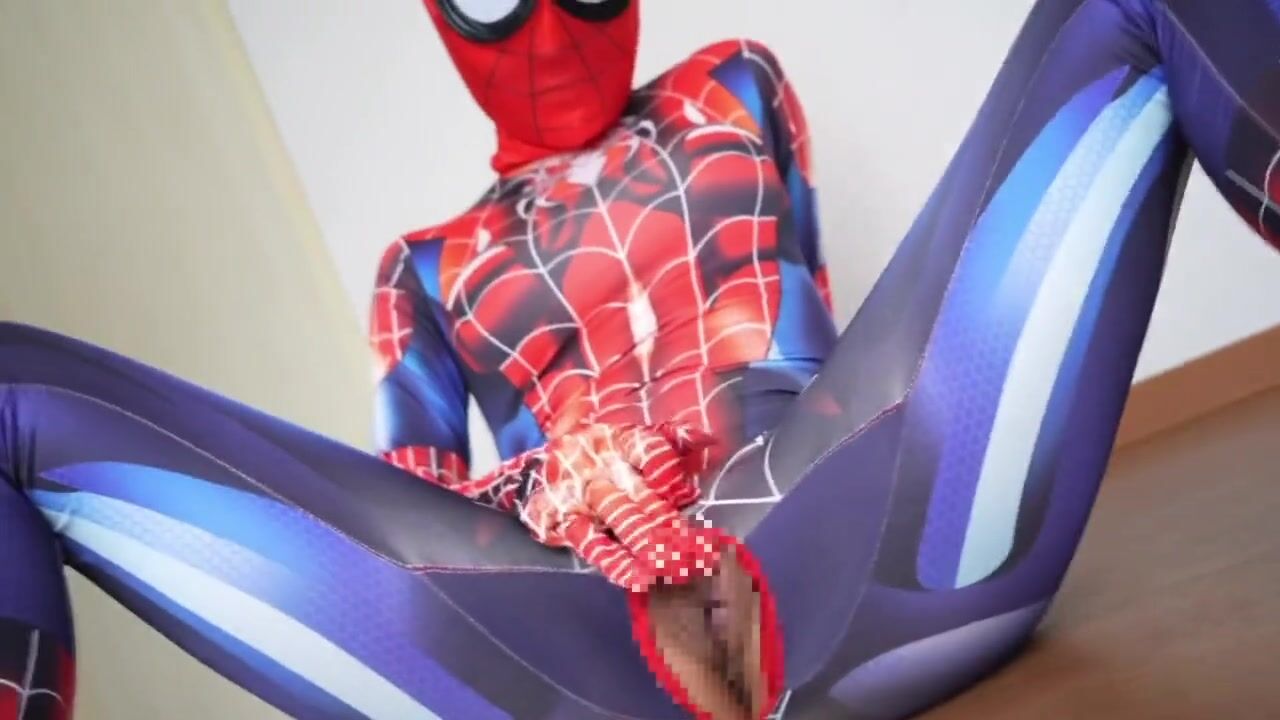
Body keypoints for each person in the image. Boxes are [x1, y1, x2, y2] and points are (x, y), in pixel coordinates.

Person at [2, 0, 1277, 718]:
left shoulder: (732, 87)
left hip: (843, 530)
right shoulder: (423, 269)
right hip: (568, 635)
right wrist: (578, 509)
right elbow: (416, 508)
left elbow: (818, 323)